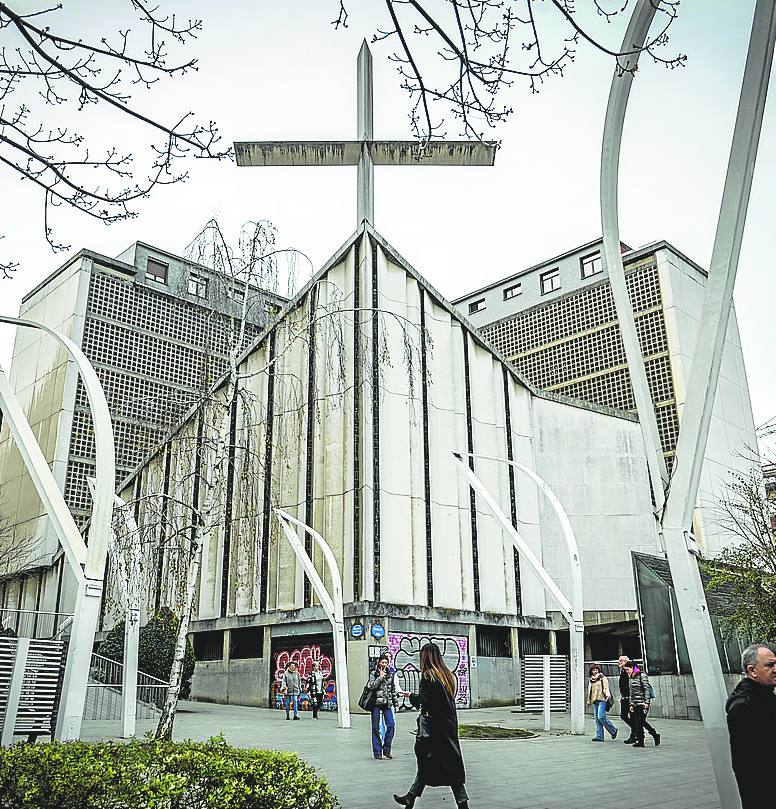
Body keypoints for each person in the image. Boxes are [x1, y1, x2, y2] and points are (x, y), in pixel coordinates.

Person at [393, 643, 469, 809]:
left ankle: (462, 806)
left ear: (425, 657)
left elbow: (424, 702)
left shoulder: (429, 676)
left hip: (434, 730)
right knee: (446, 766)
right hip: (448, 727)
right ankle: (410, 797)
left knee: (428, 762)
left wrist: (411, 696)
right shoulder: (446, 675)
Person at [725, 643, 776, 809]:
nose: (775, 669)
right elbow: (751, 760)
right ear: (752, 670)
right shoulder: (744, 705)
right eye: (770, 665)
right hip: (763, 791)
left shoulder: (765, 697)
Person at [367, 652, 398, 759]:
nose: (384, 664)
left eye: (386, 662)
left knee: (391, 725)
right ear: (378, 663)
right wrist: (380, 677)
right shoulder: (373, 673)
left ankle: (387, 749)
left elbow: (392, 689)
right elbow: (371, 686)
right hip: (375, 703)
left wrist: (395, 703)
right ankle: (377, 752)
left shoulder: (391, 674)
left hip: (387, 703)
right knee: (375, 728)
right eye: (382, 662)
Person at [623, 660, 660, 748]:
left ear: (632, 668)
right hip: (635, 703)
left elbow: (646, 689)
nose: (627, 671)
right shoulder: (631, 677)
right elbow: (631, 692)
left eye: (628, 669)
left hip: (643, 703)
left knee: (641, 721)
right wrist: (631, 704)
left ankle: (654, 734)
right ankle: (641, 741)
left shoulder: (641, 675)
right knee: (638, 722)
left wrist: (646, 703)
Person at [586, 663, 617, 741]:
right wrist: (589, 700)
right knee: (597, 718)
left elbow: (606, 687)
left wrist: (607, 695)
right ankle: (600, 736)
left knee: (601, 717)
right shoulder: (591, 679)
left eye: (596, 670)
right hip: (594, 700)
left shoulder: (603, 678)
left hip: (602, 699)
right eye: (593, 670)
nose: (595, 671)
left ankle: (613, 730)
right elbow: (589, 691)